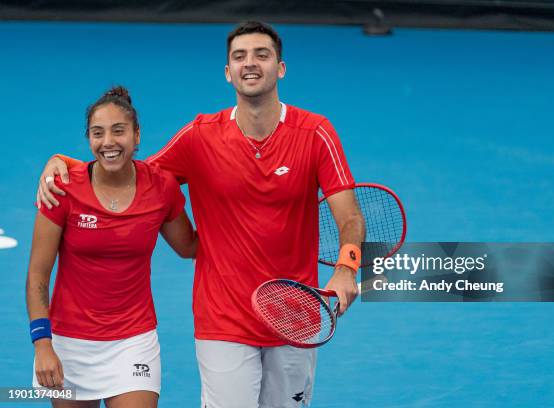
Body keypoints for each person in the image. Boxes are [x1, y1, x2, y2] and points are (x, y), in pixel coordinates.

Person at [37, 22, 365, 408]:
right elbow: (135, 175)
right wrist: (67, 163)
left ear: (281, 68)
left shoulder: (315, 132)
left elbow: (350, 217)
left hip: (292, 313)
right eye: (239, 56)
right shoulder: (200, 136)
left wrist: (347, 266)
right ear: (228, 72)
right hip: (222, 317)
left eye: (262, 54)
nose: (250, 64)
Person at [27, 86, 197, 408]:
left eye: (118, 131)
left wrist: (244, 223)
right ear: (89, 139)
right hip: (69, 344)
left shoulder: (161, 187)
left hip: (134, 340)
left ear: (136, 135)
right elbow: (38, 274)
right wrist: (42, 344)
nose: (108, 142)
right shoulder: (62, 189)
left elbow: (189, 247)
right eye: (97, 133)